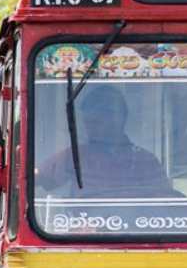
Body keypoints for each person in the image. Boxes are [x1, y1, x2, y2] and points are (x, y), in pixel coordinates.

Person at [36, 85, 177, 198]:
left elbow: (164, 201)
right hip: (84, 231)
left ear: (118, 119)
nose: (89, 128)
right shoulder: (76, 155)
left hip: (133, 232)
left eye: (96, 122)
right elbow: (37, 176)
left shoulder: (145, 160)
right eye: (87, 123)